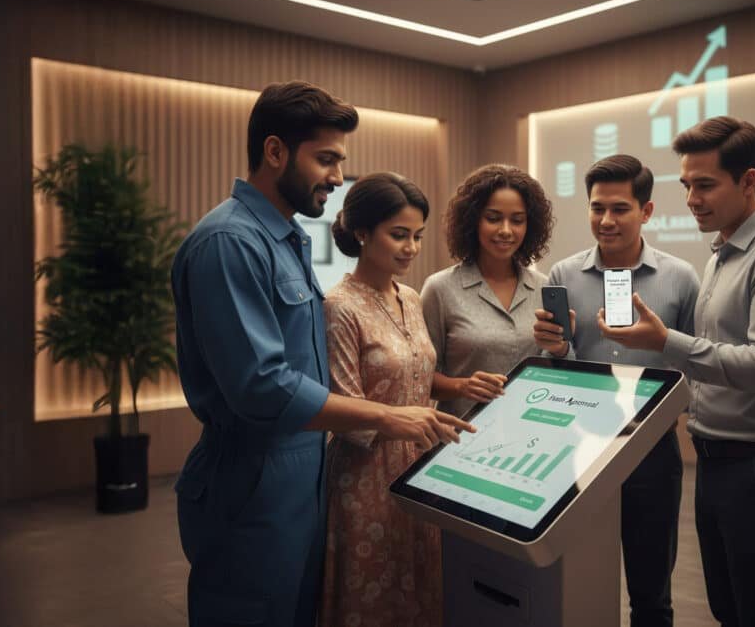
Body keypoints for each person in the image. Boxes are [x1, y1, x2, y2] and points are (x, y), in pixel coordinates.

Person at [171, 82, 473, 627]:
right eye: (326, 159)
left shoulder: (285, 239)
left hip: (302, 475)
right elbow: (261, 385)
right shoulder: (229, 242)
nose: (338, 177)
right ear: (275, 151)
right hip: (253, 476)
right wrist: (386, 415)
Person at [597, 116, 755, 627]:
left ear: (748, 181)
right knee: (729, 610)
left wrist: (665, 342)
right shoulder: (724, 252)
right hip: (718, 462)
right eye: (686, 185)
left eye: (705, 185)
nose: (693, 198)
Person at [532, 154, 700, 627]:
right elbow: (558, 363)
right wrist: (554, 348)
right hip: (579, 452)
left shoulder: (680, 278)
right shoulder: (563, 275)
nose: (605, 221)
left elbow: (695, 362)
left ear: (646, 211)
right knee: (576, 583)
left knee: (651, 593)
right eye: (596, 208)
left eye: (620, 209)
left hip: (651, 450)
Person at [320, 172, 453, 627]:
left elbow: (415, 376)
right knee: (374, 594)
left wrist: (453, 389)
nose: (411, 248)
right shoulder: (339, 306)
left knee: (421, 587)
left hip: (422, 463)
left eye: (417, 236)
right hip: (365, 474)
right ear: (362, 233)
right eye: (398, 235)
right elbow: (343, 408)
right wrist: (401, 421)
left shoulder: (411, 298)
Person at [421, 164, 555, 417]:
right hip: (460, 438)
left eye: (517, 220)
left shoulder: (544, 287)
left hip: (531, 433)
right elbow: (420, 379)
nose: (506, 230)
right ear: (472, 221)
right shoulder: (439, 289)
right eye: (493, 218)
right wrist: (462, 386)